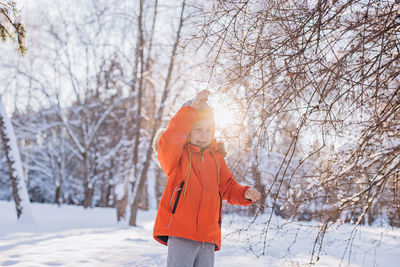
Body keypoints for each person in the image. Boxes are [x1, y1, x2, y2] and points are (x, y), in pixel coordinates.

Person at [153, 90, 261, 267]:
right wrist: (192, 109)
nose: (204, 135)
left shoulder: (216, 159)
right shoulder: (177, 156)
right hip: (181, 233)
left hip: (208, 235)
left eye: (208, 130)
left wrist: (245, 193)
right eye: (198, 130)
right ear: (188, 130)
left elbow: (228, 187)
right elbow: (172, 137)